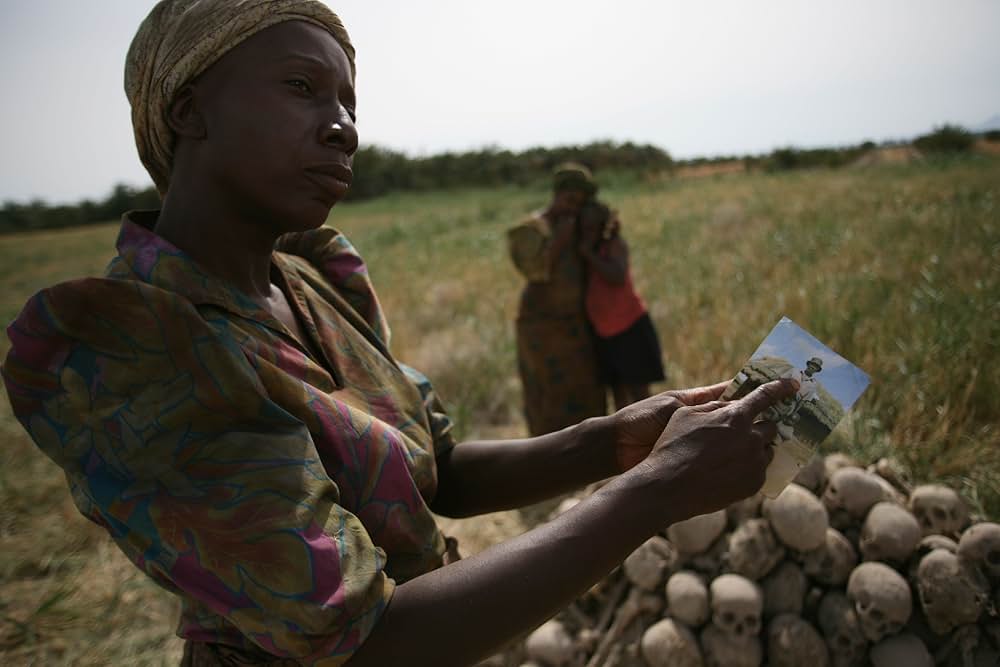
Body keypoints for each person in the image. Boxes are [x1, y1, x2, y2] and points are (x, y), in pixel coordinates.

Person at [0, 2, 797, 665]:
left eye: (350, 103)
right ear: (188, 110)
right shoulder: (136, 349)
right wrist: (655, 490)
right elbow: (368, 639)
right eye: (302, 87)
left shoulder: (312, 281)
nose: (342, 125)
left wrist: (612, 441)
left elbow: (436, 469)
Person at [507, 163, 608, 436]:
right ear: (561, 194)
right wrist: (559, 242)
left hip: (576, 325)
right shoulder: (530, 229)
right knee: (546, 399)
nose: (577, 206)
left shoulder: (579, 225)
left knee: (585, 395)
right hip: (541, 328)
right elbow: (535, 272)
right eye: (573, 199)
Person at [578, 200, 666, 410]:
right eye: (583, 228)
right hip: (606, 333)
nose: (586, 232)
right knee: (618, 394)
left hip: (629, 328)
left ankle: (650, 439)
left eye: (591, 227)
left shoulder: (613, 246)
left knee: (641, 396)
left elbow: (617, 276)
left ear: (602, 227)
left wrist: (589, 255)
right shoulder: (585, 251)